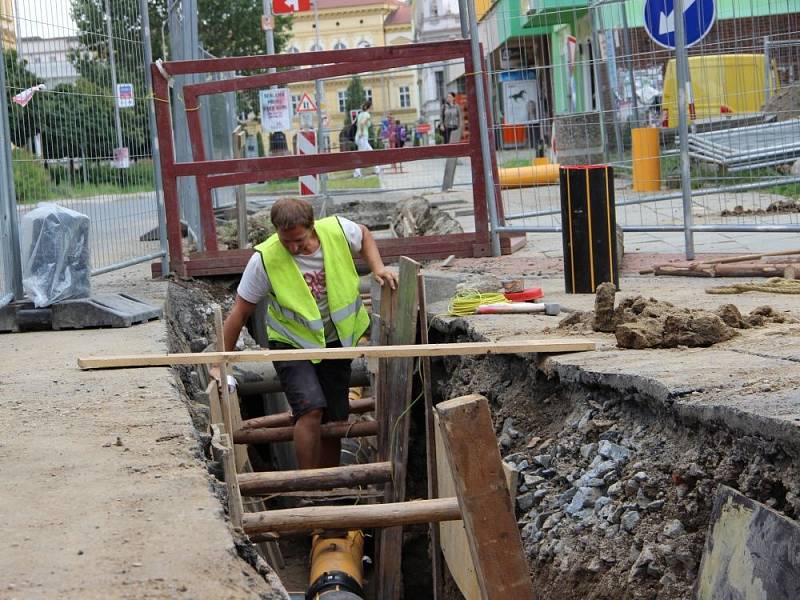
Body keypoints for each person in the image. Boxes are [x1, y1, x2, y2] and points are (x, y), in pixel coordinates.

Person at [217, 198, 398, 470]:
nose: (292, 247)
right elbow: (239, 313)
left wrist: (378, 268)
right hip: (291, 343)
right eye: (285, 240)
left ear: (312, 227)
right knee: (310, 409)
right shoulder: (264, 259)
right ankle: (307, 485)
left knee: (335, 419)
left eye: (299, 241)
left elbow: (364, 234)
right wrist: (218, 362)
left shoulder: (337, 231)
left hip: (336, 340)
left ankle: (328, 488)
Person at [353, 100, 380, 178]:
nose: (372, 108)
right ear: (369, 107)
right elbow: (362, 123)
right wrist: (361, 132)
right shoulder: (367, 115)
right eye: (372, 106)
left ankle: (377, 169)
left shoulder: (360, 114)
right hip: (363, 137)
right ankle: (357, 173)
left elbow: (355, 123)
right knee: (361, 155)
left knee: (371, 153)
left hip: (359, 137)